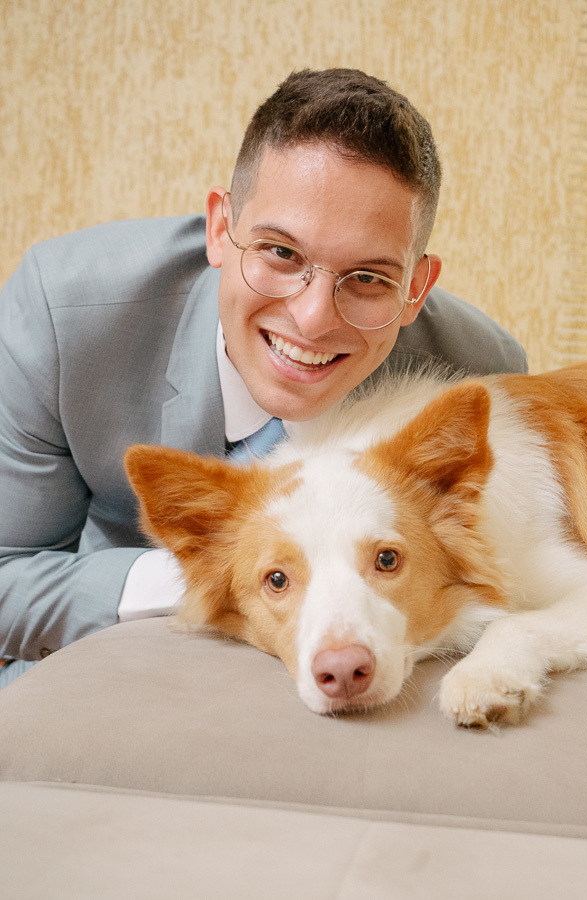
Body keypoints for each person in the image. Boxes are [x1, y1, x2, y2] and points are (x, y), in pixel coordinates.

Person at [0, 68, 527, 687]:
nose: (311, 318)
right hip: (104, 648)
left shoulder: (477, 372)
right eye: (282, 252)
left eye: (368, 278)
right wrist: (212, 572)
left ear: (416, 290)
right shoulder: (64, 316)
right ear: (220, 229)